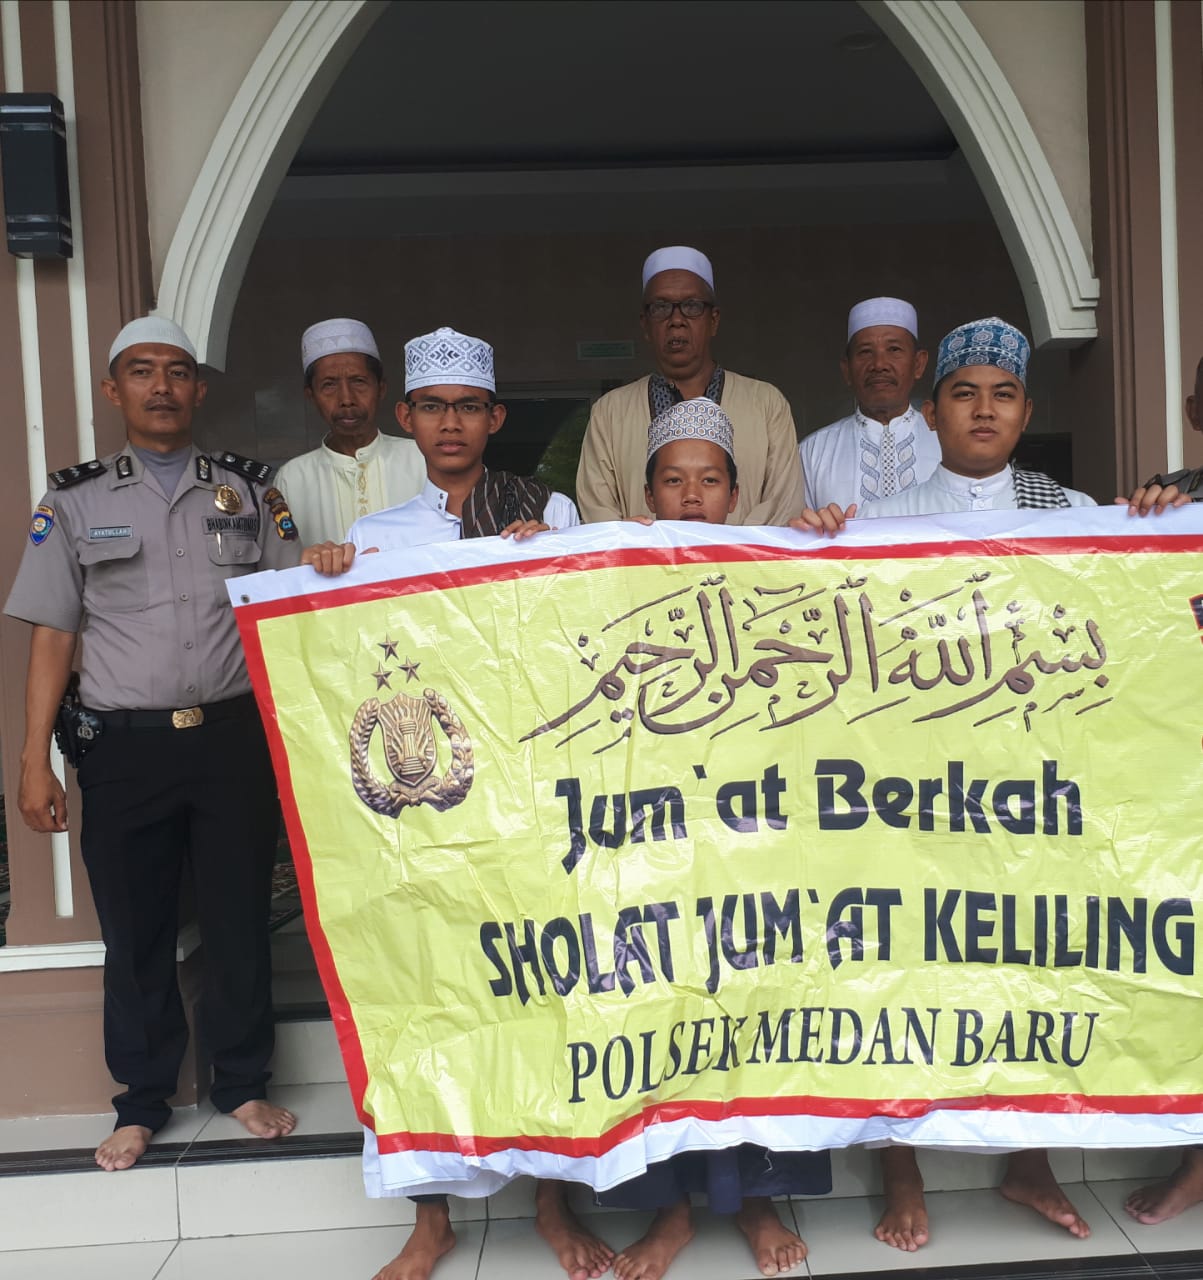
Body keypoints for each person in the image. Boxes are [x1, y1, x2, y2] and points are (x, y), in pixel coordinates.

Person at [791, 317, 1187, 1250]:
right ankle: (901, 1173)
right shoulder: (879, 525)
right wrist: (804, 543)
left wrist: (1161, 521)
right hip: (907, 802)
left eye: (1000, 395)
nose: (981, 410)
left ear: (1024, 412)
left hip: (1029, 801)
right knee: (891, 979)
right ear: (932, 412)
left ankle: (1029, 1163)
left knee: (1031, 970)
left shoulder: (1073, 516)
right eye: (963, 394)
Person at [302, 326, 582, 1280]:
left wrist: (551, 561)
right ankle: (430, 1217)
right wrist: (326, 583)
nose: (452, 422)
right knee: (421, 997)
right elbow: (351, 675)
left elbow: (582, 643)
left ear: (494, 417)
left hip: (531, 800)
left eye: (469, 407)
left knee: (544, 990)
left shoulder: (547, 510)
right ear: (407, 419)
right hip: (427, 812)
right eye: (434, 408)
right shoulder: (376, 540)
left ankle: (553, 1198)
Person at [4, 316, 301, 1172]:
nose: (163, 386)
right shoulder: (73, 500)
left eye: (178, 372)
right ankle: (139, 1101)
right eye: (143, 372)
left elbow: (288, 615)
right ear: (114, 390)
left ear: (200, 390)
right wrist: (34, 761)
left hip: (234, 739)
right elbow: (53, 637)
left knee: (240, 918)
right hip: (126, 748)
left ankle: (242, 1082)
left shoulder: (251, 493)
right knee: (135, 930)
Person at [538, 399, 826, 1280]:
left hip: (750, 832)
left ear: (736, 492)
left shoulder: (776, 573)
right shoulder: (601, 575)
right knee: (656, 1008)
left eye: (709, 480)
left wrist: (829, 545)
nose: (692, 494)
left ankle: (756, 1199)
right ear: (644, 489)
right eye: (674, 479)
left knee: (752, 1006)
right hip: (644, 837)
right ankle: (668, 1211)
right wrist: (519, 560)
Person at [574, 246, 804, 526]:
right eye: (661, 307)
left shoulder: (766, 403)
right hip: (643, 569)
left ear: (714, 320)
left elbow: (782, 506)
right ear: (645, 325)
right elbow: (600, 517)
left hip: (742, 568)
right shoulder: (610, 412)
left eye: (692, 306)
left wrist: (726, 560)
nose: (677, 320)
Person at [274, 318, 424, 544]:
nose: (346, 399)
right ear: (310, 395)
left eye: (359, 381)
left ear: (381, 388)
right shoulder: (292, 479)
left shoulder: (421, 459)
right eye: (329, 385)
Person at [798, 296, 940, 511]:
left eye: (894, 350)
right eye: (865, 352)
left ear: (918, 364)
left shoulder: (949, 446)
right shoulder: (812, 453)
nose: (879, 364)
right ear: (847, 370)